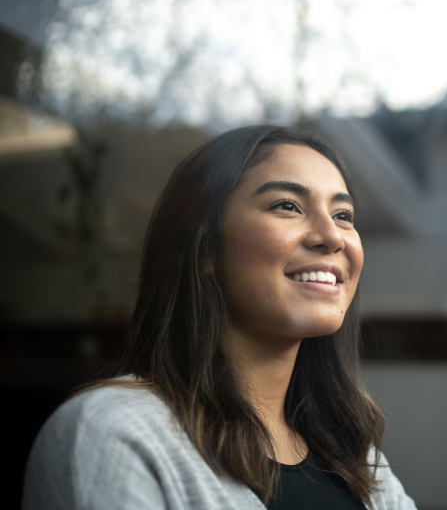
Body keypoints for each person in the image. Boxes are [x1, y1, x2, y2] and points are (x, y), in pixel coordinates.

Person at [22, 125, 417, 510]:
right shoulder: (112, 433)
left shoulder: (357, 457)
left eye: (344, 214)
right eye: (287, 206)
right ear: (206, 248)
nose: (332, 236)